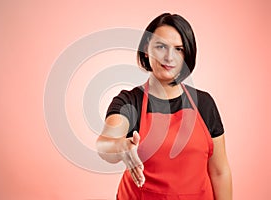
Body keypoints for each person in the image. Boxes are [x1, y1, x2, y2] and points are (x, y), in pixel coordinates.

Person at [96, 13, 232, 200]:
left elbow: (219, 171)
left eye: (179, 49)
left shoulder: (204, 103)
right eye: (161, 47)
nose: (170, 57)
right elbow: (105, 144)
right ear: (146, 49)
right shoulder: (129, 101)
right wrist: (120, 146)